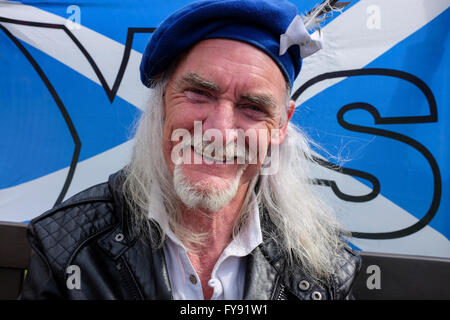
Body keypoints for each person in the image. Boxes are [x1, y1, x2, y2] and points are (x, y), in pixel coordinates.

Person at [20, 0, 361, 300]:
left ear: (281, 125)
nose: (218, 132)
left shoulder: (321, 265)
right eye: (199, 93)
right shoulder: (70, 249)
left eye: (253, 107)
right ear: (163, 102)